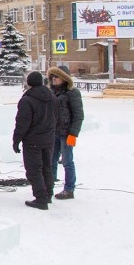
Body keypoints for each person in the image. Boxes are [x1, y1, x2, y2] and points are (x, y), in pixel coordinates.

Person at [13, 71, 57, 210]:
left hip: (32, 140)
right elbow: (58, 118)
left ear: (29, 83)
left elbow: (22, 123)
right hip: (49, 139)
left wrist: (16, 139)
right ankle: (48, 194)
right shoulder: (52, 97)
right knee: (47, 167)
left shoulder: (27, 100)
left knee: (34, 170)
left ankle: (40, 198)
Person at [48, 65, 85, 200]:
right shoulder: (52, 92)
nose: (54, 79)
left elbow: (78, 115)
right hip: (53, 132)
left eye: (57, 76)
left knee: (67, 161)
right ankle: (48, 186)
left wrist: (73, 134)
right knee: (51, 160)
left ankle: (69, 189)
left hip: (66, 133)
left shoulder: (72, 93)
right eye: (52, 76)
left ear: (64, 78)